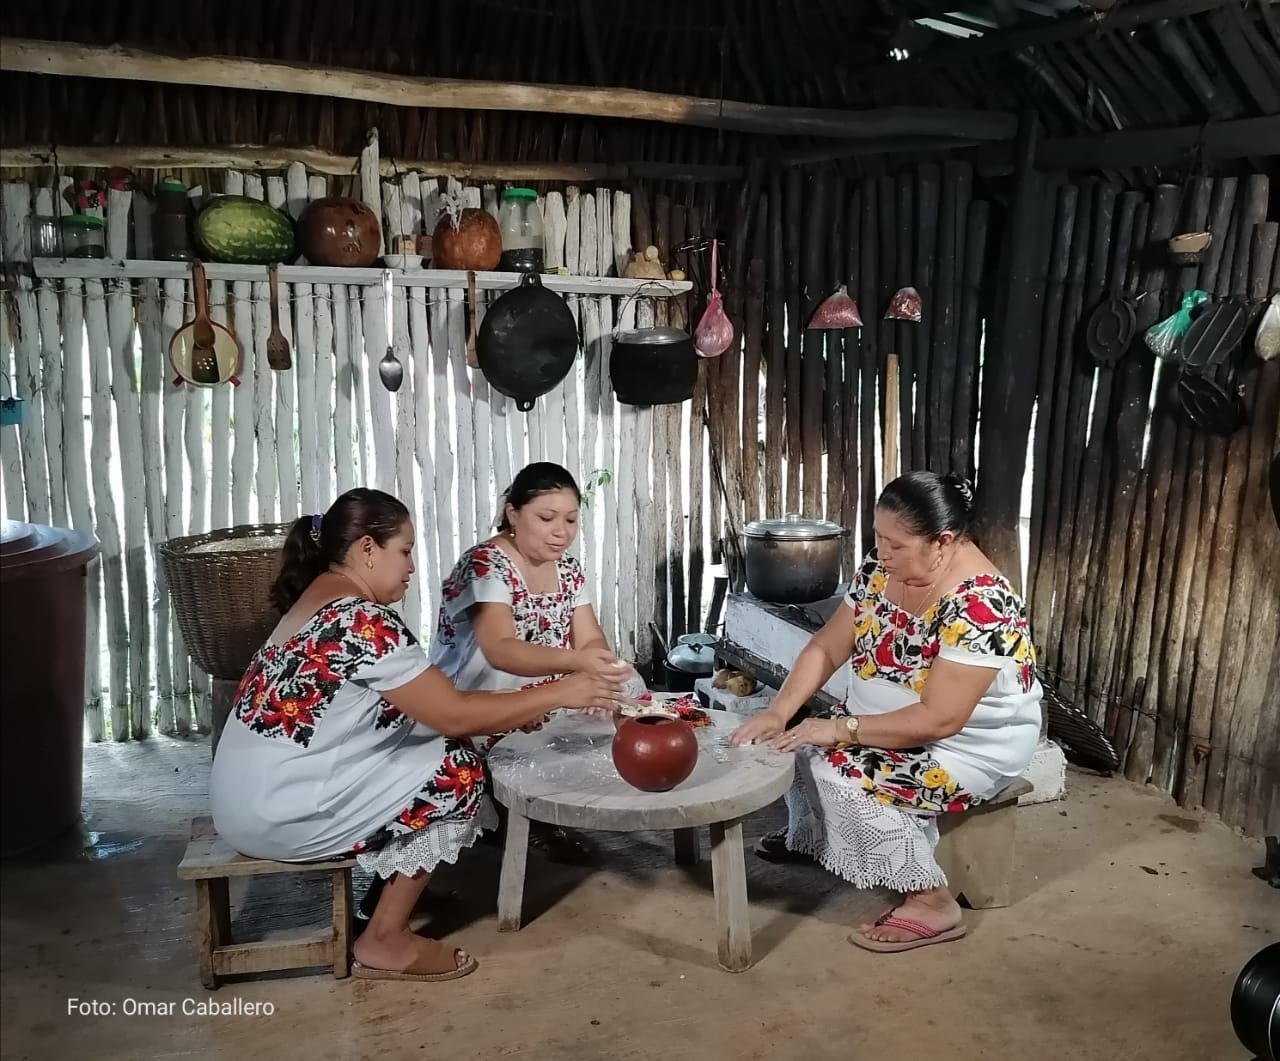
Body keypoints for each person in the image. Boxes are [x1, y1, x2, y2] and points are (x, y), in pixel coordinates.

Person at [209, 488, 623, 982]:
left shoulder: (316, 602)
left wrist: (513, 711)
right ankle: (384, 937)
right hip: (281, 812)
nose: (410, 567)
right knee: (458, 769)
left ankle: (399, 879)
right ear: (366, 550)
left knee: (431, 746)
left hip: (240, 800)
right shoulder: (364, 621)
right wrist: (560, 692)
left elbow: (411, 706)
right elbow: (451, 714)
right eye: (403, 551)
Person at [730, 471, 1042, 953]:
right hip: (882, 723)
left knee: (838, 773)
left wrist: (839, 729)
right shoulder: (883, 570)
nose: (882, 552)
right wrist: (779, 711)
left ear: (941, 542)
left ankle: (931, 900)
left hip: (962, 748)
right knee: (788, 743)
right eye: (878, 537)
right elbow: (825, 648)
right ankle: (813, 837)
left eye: (896, 544)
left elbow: (941, 720)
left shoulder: (981, 605)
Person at [430, 461, 641, 864]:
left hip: (544, 694)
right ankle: (518, 815)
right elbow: (501, 649)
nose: (561, 531)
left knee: (628, 691)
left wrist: (597, 666)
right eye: (546, 518)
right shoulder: (485, 564)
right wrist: (579, 665)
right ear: (513, 513)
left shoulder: (567, 568)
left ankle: (540, 810)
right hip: (478, 700)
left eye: (571, 520)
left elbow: (590, 635)